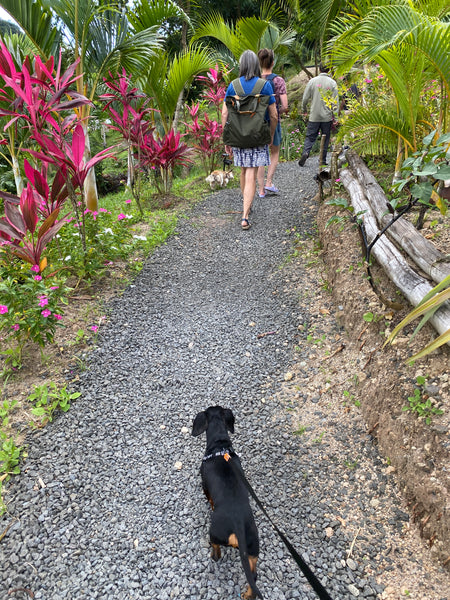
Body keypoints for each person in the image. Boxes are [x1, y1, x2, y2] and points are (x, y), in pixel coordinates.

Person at [222, 50, 278, 230]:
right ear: (255, 65)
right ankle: (245, 216)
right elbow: (274, 115)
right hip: (257, 135)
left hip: (238, 136)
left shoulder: (232, 86)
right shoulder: (265, 85)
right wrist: (270, 135)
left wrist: (226, 140)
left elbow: (224, 113)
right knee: (251, 173)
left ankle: (247, 202)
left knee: (244, 171)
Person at [256, 48, 288, 197]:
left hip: (257, 123)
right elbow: (285, 106)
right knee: (274, 152)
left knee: (261, 154)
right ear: (273, 62)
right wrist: (277, 112)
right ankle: (269, 183)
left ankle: (261, 190)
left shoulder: (255, 80)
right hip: (273, 121)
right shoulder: (278, 80)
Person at [298, 63, 338, 167]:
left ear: (319, 69)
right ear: (329, 70)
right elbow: (335, 102)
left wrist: (304, 109)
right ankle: (322, 161)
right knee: (325, 138)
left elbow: (305, 98)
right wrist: (336, 117)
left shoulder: (312, 81)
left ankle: (306, 153)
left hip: (314, 116)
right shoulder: (332, 83)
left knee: (310, 137)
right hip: (327, 117)